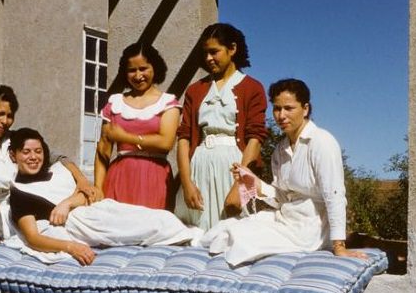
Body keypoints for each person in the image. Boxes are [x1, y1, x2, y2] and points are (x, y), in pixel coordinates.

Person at [200, 79, 368, 266]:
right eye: (277, 109)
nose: (281, 115)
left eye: (289, 108)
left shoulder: (322, 142)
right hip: (285, 219)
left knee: (242, 242)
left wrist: (339, 246)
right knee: (224, 230)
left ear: (305, 109)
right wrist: (254, 182)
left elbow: (335, 195)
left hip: (311, 230)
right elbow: (281, 198)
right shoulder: (280, 150)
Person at [7, 128, 201, 265]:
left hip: (96, 208)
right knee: (151, 225)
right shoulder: (20, 194)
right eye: (26, 152)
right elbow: (33, 238)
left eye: (38, 151)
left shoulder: (57, 171)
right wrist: (71, 247)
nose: (33, 157)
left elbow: (87, 194)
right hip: (83, 224)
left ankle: (190, 236)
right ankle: (192, 239)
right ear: (13, 155)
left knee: (156, 216)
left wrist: (67, 203)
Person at [0, 84, 98, 253]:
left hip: (35, 208)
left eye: (9, 116)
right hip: (8, 218)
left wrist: (82, 181)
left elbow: (59, 158)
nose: (4, 121)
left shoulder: (16, 140)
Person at [175, 23, 267, 231]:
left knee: (234, 231)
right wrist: (186, 182)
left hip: (234, 168)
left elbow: (255, 138)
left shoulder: (252, 87)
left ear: (232, 49)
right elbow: (183, 138)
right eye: (205, 53)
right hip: (199, 167)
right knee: (195, 231)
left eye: (214, 52)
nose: (208, 58)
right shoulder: (195, 90)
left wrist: (241, 185)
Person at [94, 42, 180, 209]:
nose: (138, 75)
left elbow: (166, 142)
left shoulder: (168, 102)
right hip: (120, 176)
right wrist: (98, 187)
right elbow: (102, 150)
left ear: (155, 68)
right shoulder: (115, 103)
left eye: (143, 68)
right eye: (132, 70)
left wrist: (125, 137)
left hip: (155, 176)